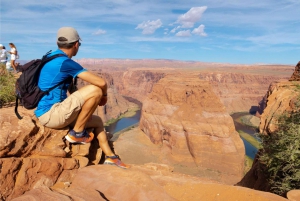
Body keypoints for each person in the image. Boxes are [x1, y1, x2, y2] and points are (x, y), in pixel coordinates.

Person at [34, 27, 129, 169]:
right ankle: (77, 133)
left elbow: (70, 90)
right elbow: (101, 83)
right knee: (95, 90)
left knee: (97, 122)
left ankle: (111, 157)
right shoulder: (65, 62)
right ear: (76, 44)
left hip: (51, 112)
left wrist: (84, 113)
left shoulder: (50, 57)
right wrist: (103, 96)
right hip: (52, 114)